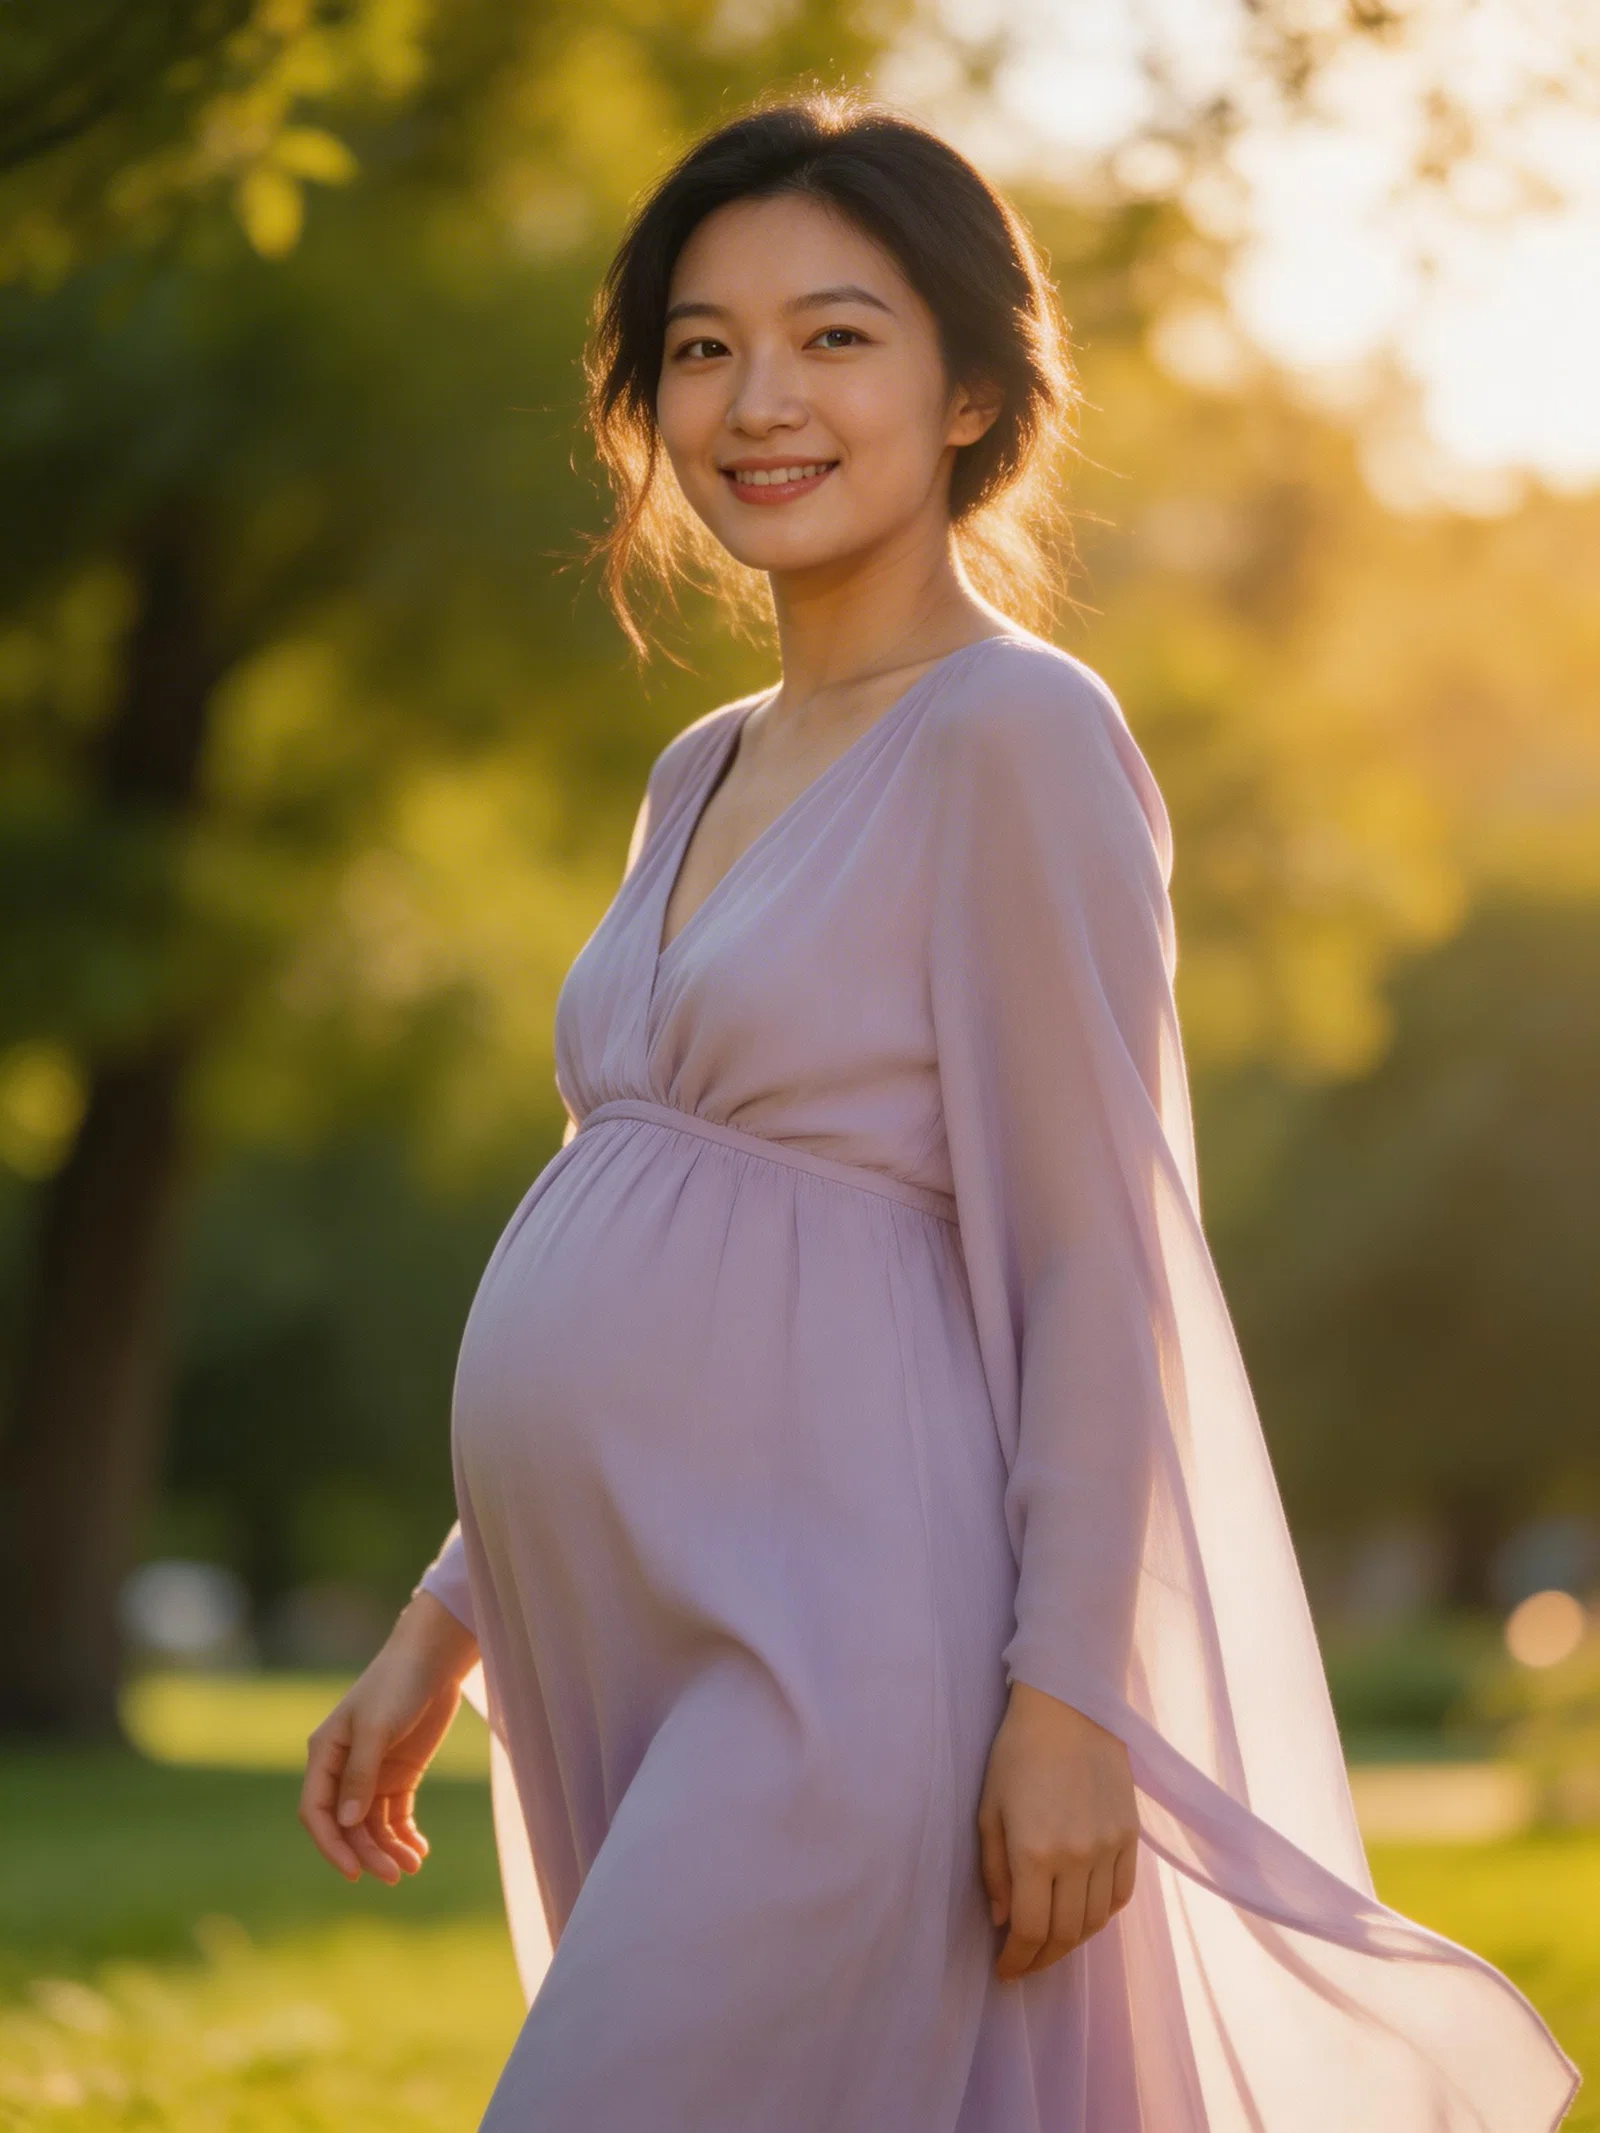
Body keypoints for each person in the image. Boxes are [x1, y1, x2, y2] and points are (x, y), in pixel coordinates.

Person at [297, 92, 1580, 2131]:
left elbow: (1096, 1256)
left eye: (833, 333)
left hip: (845, 1644)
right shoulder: (698, 767)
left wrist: (1068, 1704)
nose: (754, 399)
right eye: (698, 347)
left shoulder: (1018, 737)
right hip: (620, 1625)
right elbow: (629, 1189)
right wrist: (439, 1622)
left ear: (973, 383)